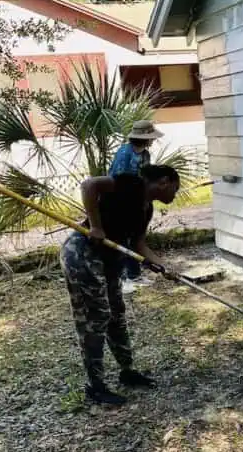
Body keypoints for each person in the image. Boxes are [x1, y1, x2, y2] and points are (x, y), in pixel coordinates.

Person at [60, 164, 181, 406]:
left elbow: (139, 245)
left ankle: (127, 372)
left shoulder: (146, 209)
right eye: (175, 190)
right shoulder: (131, 183)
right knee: (96, 317)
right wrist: (95, 226)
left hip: (109, 258)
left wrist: (164, 267)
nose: (174, 195)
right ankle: (95, 386)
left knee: (117, 314)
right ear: (164, 182)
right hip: (83, 253)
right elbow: (89, 185)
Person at [108, 120, 163, 287]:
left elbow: (146, 177)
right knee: (122, 240)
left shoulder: (145, 154)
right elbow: (117, 179)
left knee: (135, 238)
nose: (153, 141)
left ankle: (134, 275)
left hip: (137, 200)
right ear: (144, 138)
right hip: (120, 200)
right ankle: (122, 277)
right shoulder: (125, 153)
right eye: (151, 138)